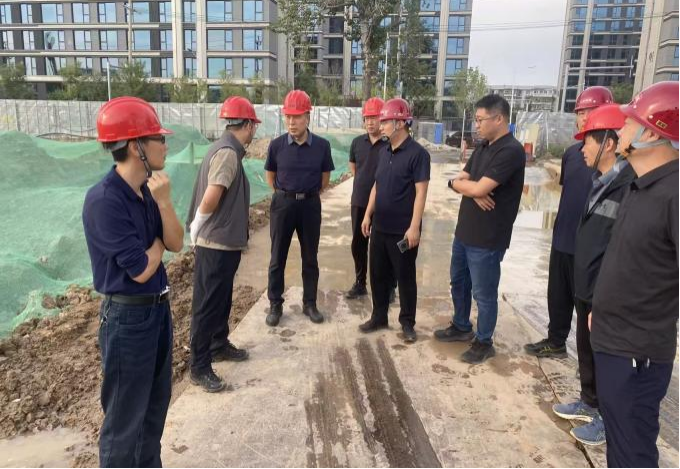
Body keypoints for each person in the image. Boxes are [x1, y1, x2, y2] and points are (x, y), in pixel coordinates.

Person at [82, 96, 184, 467]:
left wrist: (165, 203)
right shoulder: (104, 201)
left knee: (154, 412)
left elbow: (176, 242)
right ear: (134, 145)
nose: (165, 145)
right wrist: (157, 246)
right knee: (124, 423)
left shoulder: (149, 193)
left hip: (157, 313)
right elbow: (141, 269)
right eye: (158, 138)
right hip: (127, 321)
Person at [591, 81, 679, 467]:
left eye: (628, 122)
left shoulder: (674, 194)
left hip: (636, 354)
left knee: (633, 452)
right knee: (619, 443)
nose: (621, 128)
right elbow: (629, 259)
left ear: (651, 132)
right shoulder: (640, 185)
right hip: (613, 340)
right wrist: (601, 308)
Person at [552, 104, 634, 446]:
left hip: (606, 290)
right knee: (587, 349)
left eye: (587, 141)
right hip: (587, 284)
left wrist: (604, 296)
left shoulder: (629, 186)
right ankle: (589, 401)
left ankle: (607, 420)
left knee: (608, 360)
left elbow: (622, 249)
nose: (581, 148)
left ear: (609, 144)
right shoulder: (601, 181)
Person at [434, 94, 525, 364]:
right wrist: (466, 188)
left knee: (483, 294)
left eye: (480, 119)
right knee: (459, 282)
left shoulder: (511, 151)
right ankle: (461, 325)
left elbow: (479, 187)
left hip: (488, 237)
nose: (477, 125)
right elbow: (463, 180)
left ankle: (484, 341)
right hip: (465, 232)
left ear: (499, 119)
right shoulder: (483, 147)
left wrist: (472, 188)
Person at [524, 86, 613, 358]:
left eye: (591, 112)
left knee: (587, 304)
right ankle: (556, 341)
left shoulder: (615, 158)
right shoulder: (574, 153)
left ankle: (592, 361)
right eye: (580, 113)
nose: (584, 118)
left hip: (591, 246)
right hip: (563, 236)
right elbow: (567, 193)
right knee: (558, 294)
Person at [185, 96, 260, 393]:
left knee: (221, 299)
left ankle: (218, 344)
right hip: (214, 243)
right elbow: (213, 195)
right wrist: (197, 227)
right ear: (248, 125)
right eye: (253, 125)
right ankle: (199, 366)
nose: (254, 131)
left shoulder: (225, 148)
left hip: (224, 243)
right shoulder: (228, 153)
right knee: (207, 305)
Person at [359, 98, 430, 343]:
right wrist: (368, 214)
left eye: (385, 121)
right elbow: (376, 186)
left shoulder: (418, 154)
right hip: (380, 227)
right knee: (378, 275)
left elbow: (421, 192)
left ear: (400, 123)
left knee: (405, 277)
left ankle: (407, 323)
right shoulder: (383, 151)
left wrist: (414, 227)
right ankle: (379, 316)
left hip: (403, 230)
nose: (381, 125)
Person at [264, 90, 335, 327]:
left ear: (307, 117)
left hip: (310, 206)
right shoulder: (276, 146)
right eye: (288, 117)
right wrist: (285, 195)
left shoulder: (322, 146)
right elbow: (271, 176)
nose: (291, 122)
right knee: (277, 257)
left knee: (310, 257)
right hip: (283, 205)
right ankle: (275, 304)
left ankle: (310, 303)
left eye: (296, 117)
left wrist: (307, 194)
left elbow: (325, 179)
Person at [345, 97, 395, 303]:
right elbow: (354, 167)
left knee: (385, 246)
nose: (371, 122)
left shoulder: (390, 144)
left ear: (382, 119)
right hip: (359, 201)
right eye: (367, 118)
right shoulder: (357, 143)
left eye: (374, 117)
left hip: (384, 204)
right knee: (358, 244)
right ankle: (360, 283)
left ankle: (389, 285)